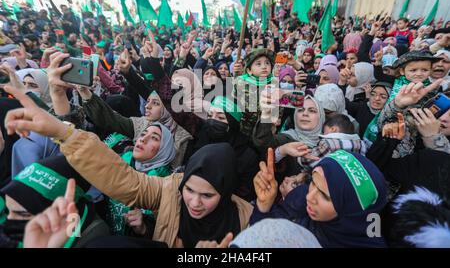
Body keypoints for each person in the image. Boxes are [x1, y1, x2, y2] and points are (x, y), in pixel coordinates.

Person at [2, 87, 253, 248]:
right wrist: (63, 132)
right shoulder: (169, 190)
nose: (194, 203)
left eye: (207, 195)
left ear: (226, 190)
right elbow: (123, 179)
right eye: (190, 190)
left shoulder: (248, 220)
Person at [251, 149, 388, 248]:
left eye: (325, 196)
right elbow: (263, 234)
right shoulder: (302, 196)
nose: (310, 197)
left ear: (353, 211)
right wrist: (264, 206)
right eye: (312, 182)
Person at [1, 155, 110, 248]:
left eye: (23, 214)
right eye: (7, 210)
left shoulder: (100, 242)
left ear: (59, 212)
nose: (9, 219)